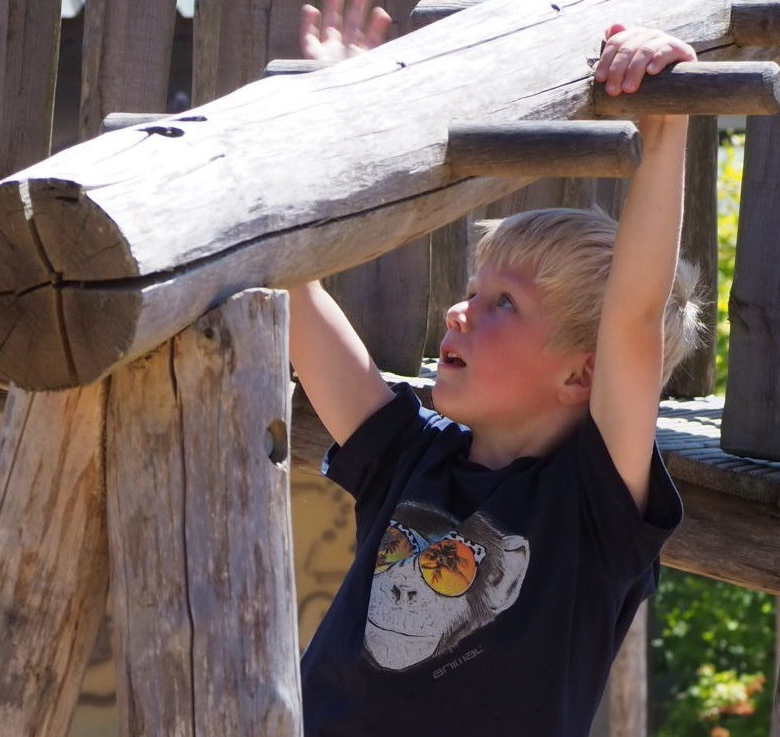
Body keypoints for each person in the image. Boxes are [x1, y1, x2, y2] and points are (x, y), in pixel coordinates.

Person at [292, 2, 702, 735]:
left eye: (502, 303)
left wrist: (665, 129)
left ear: (582, 375)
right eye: (472, 291)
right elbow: (292, 286)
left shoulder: (589, 509)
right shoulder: (407, 457)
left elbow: (633, 320)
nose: (460, 311)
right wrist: (327, 122)